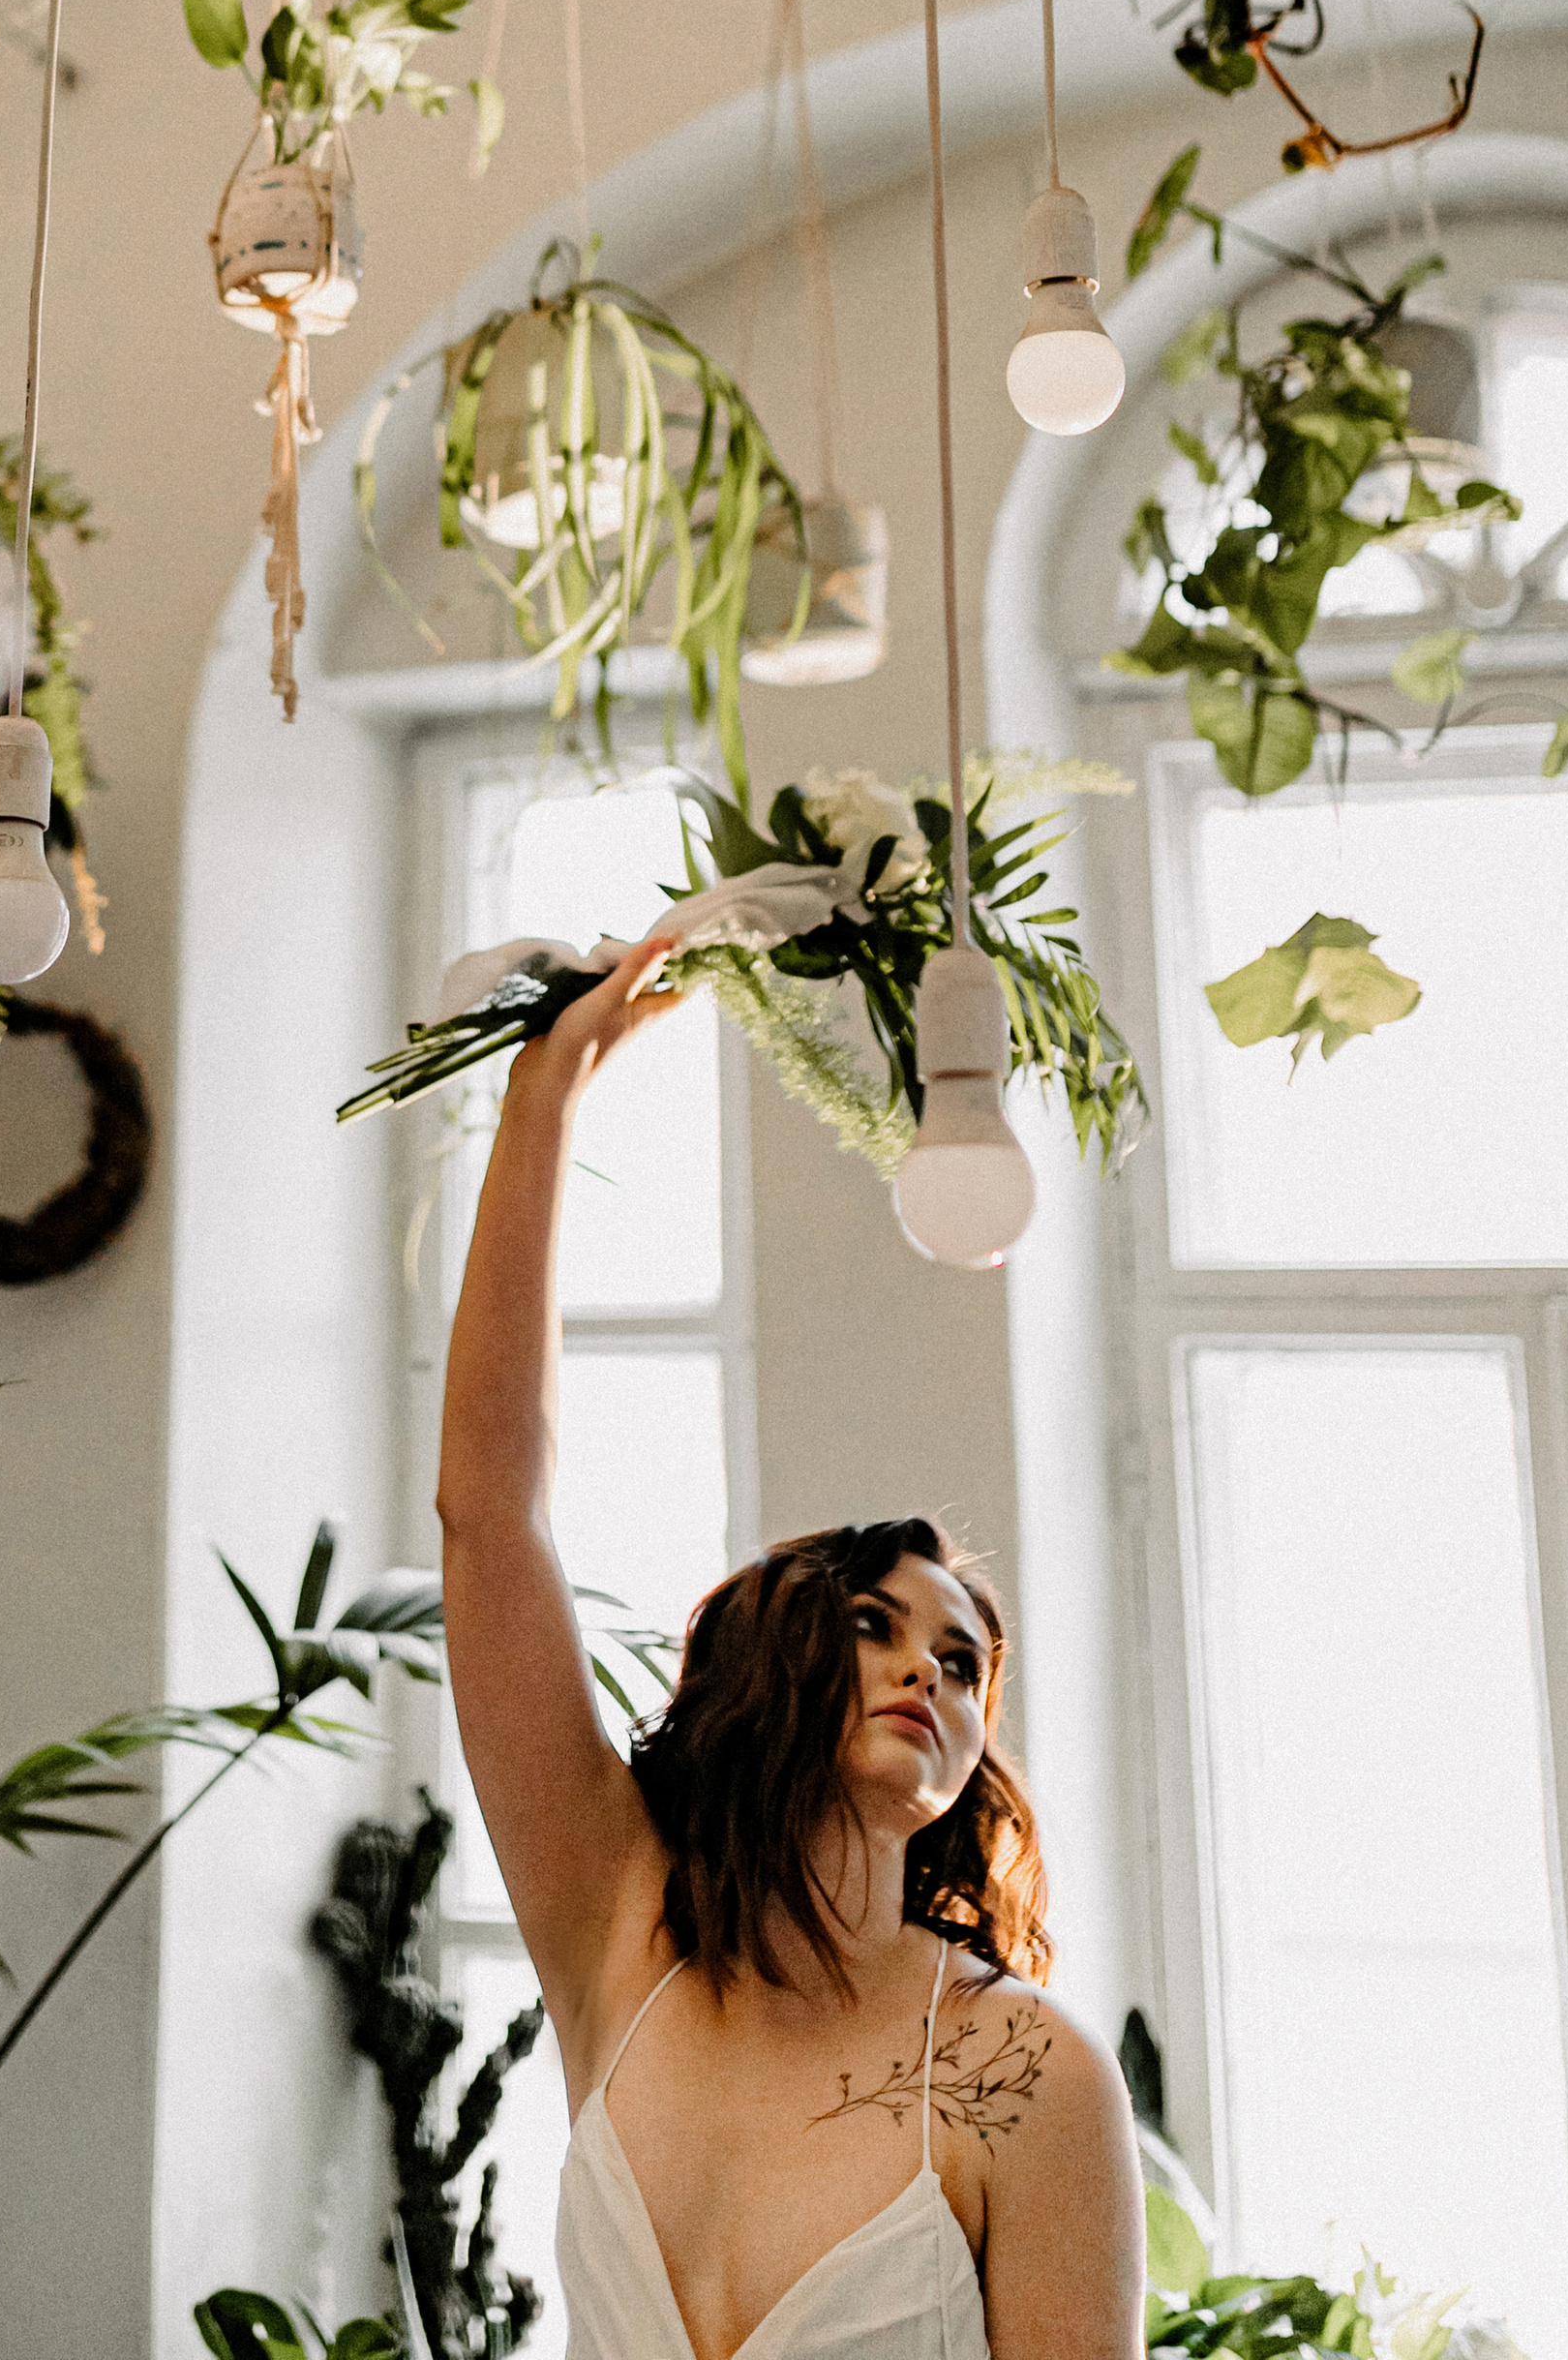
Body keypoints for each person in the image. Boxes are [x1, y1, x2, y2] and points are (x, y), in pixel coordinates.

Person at [437, 932, 1145, 2360]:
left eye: (962, 1664)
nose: (928, 1676)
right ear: (769, 1663)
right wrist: (544, 1099)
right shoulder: (619, 1929)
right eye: (874, 1625)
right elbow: (487, 1522)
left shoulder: (1025, 2069)